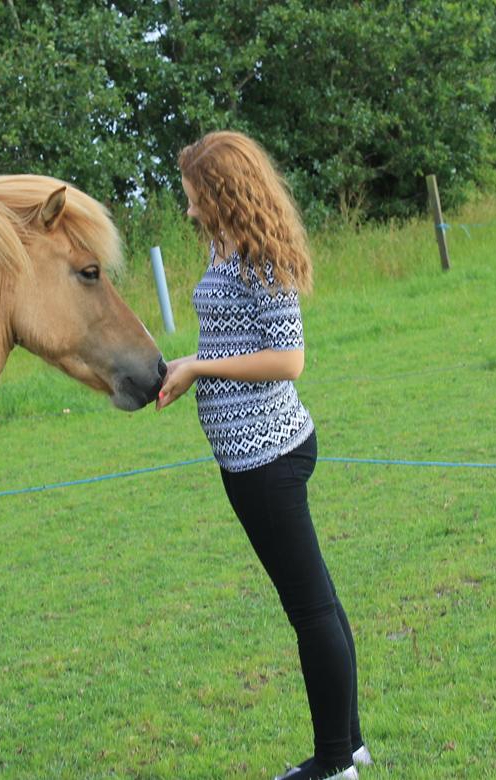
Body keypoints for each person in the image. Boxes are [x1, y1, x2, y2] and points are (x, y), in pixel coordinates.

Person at [156, 130, 371, 780]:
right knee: (320, 602)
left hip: (269, 459)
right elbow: (232, 338)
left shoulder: (261, 258)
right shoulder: (226, 248)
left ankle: (335, 766)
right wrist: (183, 366)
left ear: (224, 192)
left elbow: (289, 359)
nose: (189, 211)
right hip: (250, 459)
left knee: (309, 610)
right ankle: (350, 744)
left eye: (196, 197)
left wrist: (199, 366)